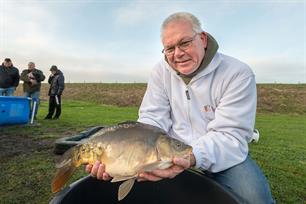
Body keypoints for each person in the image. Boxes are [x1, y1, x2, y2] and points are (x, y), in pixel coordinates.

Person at [86, 12, 274, 203]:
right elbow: (152, 119)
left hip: (221, 155)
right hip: (165, 154)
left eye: (184, 43)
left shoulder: (237, 73)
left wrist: (192, 156)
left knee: (255, 197)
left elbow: (230, 135)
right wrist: (133, 154)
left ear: (203, 39)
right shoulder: (160, 71)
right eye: (169, 48)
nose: (177, 54)